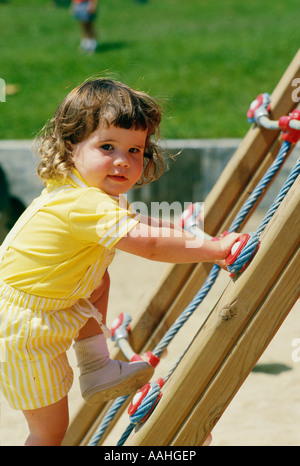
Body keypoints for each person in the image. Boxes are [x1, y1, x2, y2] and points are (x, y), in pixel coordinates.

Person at [0, 78, 240, 445]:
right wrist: (215, 250)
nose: (122, 161)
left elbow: (144, 226)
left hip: (52, 302)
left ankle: (96, 368)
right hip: (24, 325)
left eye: (134, 151)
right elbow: (150, 245)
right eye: (107, 146)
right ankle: (94, 368)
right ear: (71, 146)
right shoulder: (84, 203)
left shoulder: (90, 192)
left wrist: (183, 231)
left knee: (98, 280)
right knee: (48, 432)